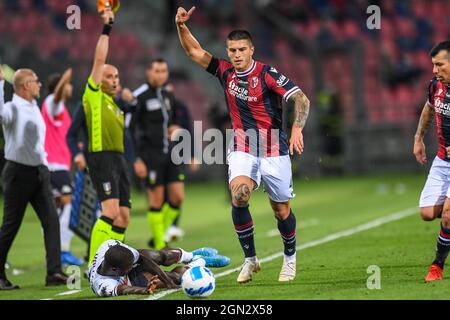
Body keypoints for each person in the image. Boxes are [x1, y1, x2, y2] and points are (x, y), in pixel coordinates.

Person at [176, 6, 310, 283]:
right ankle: (250, 260)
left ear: (251, 50)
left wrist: (297, 128)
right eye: (232, 50)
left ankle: (289, 258)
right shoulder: (224, 71)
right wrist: (181, 26)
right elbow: (194, 52)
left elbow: (302, 99)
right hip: (243, 145)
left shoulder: (267, 74)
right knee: (238, 196)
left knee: (281, 210)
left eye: (241, 50)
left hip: (274, 147)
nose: (236, 55)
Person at [0, 66, 68, 289]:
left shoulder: (33, 107)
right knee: (11, 225)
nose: (39, 84)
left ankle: (54, 273)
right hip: (18, 172)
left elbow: (37, 144)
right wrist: (0, 85)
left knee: (51, 220)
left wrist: (45, 165)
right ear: (25, 86)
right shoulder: (12, 107)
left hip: (40, 172)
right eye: (35, 81)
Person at [83, 7, 130, 265]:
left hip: (119, 159)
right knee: (110, 212)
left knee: (123, 217)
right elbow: (99, 61)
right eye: (109, 76)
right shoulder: (93, 95)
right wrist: (107, 28)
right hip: (102, 158)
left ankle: (112, 263)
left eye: (116, 77)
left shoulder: (116, 105)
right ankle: (94, 265)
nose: (113, 80)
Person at [131, 59, 186, 249]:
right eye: (157, 70)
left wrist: (174, 127)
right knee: (156, 199)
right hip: (150, 155)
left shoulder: (168, 95)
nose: (160, 74)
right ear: (148, 72)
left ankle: (159, 234)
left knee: (178, 197)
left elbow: (172, 122)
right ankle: (161, 245)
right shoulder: (139, 96)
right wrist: (136, 158)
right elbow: (130, 129)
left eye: (164, 70)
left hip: (170, 152)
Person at [413, 40, 450, 282]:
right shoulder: (435, 85)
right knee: (427, 213)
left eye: (439, 65)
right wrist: (418, 138)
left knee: (448, 215)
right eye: (433, 65)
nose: (434, 70)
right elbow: (429, 109)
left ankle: (437, 266)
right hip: (442, 161)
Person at [42, 68, 84, 266]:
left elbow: (62, 137)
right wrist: (66, 75)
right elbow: (58, 94)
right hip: (55, 166)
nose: (71, 87)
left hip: (58, 165)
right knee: (69, 203)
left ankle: (56, 250)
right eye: (69, 84)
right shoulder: (53, 103)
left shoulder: (60, 109)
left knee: (54, 208)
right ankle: (63, 251)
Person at [88, 239, 230, 297]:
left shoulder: (109, 245)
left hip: (124, 262)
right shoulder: (103, 285)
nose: (134, 266)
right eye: (130, 266)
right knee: (179, 279)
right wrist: (145, 290)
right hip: (127, 280)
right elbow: (125, 289)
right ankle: (199, 262)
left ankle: (191, 255)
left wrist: (167, 281)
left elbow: (143, 260)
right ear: (115, 270)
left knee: (159, 256)